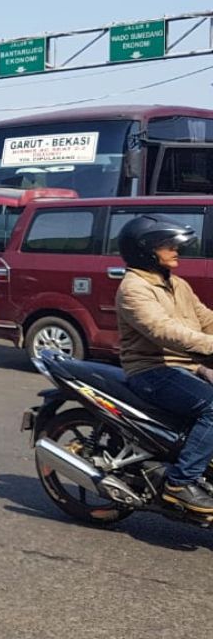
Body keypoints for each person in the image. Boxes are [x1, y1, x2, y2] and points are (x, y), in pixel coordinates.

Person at [116, 215, 213, 513]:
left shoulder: (177, 284)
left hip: (187, 367)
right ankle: (180, 482)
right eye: (166, 244)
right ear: (145, 250)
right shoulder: (134, 289)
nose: (175, 249)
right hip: (152, 371)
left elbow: (205, 319)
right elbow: (163, 331)